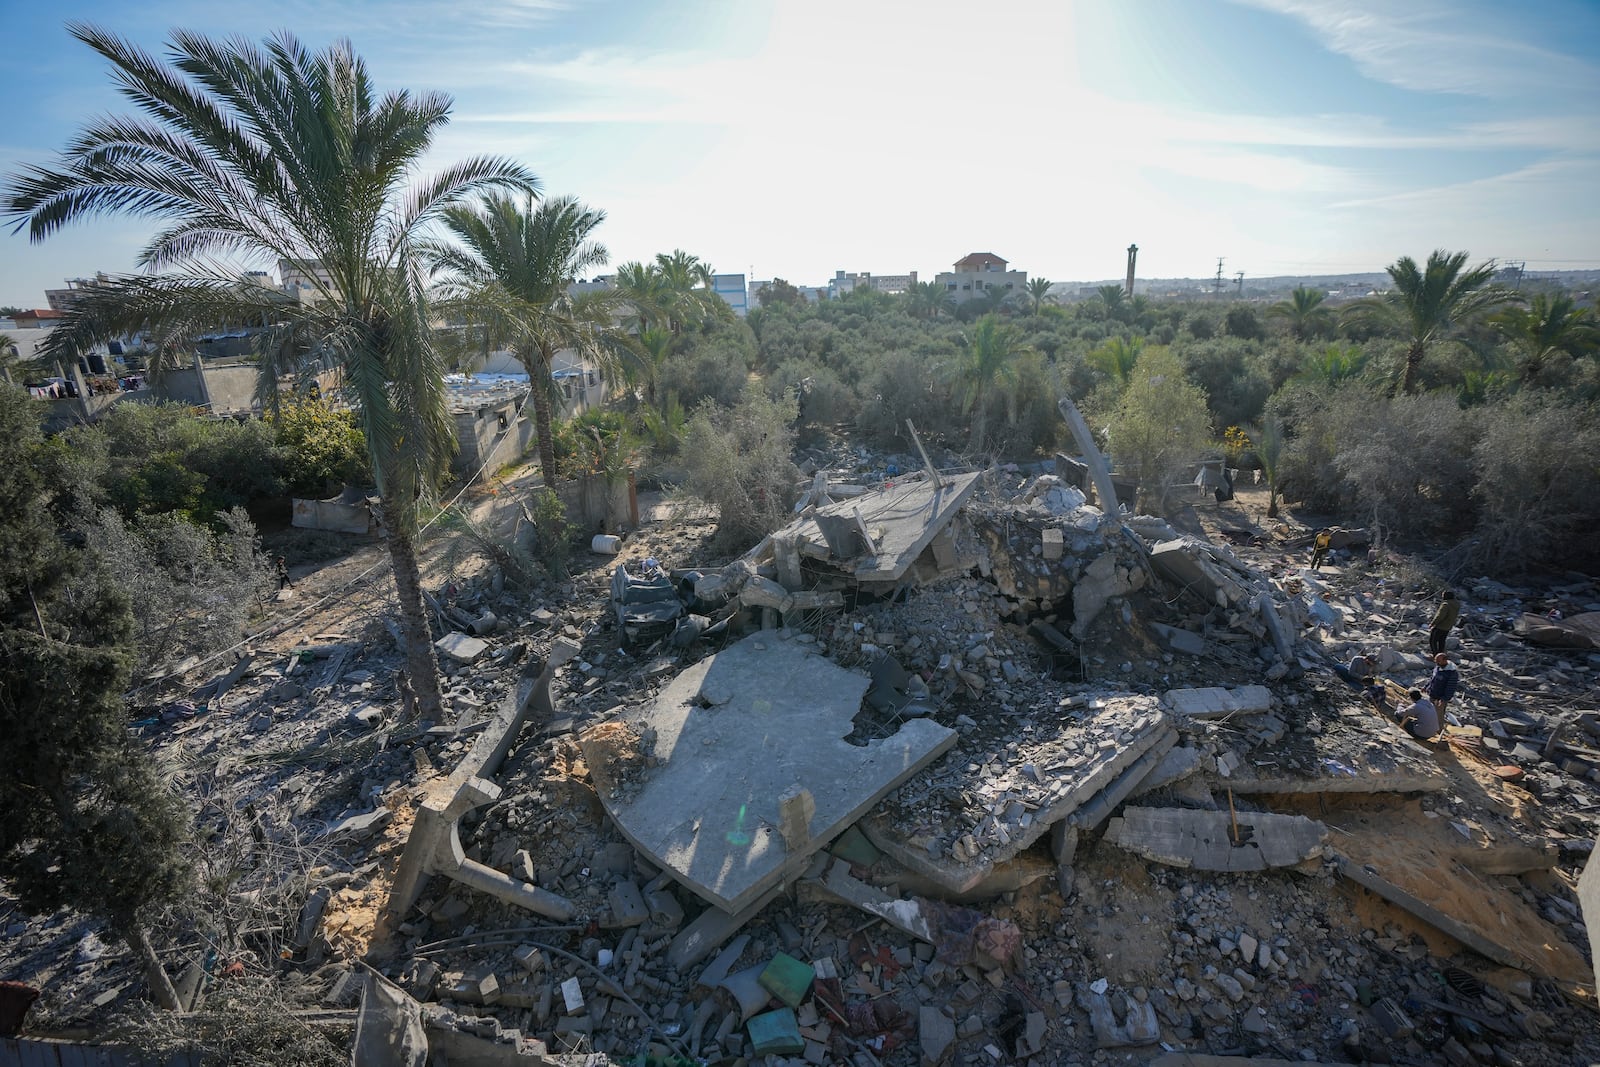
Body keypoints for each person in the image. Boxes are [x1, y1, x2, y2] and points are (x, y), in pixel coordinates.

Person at [1425, 653, 1459, 720]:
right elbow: (1433, 678)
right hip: (1432, 694)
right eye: (1436, 661)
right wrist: (1426, 686)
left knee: (1438, 716)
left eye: (1439, 661)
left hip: (1440, 699)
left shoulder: (1452, 673)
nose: (1437, 663)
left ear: (1445, 660)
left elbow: (1451, 688)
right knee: (1429, 712)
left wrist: (1444, 699)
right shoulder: (1438, 667)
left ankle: (1438, 729)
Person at [1428, 589, 1461, 655]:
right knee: (1442, 641)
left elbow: (1440, 616)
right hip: (1448, 626)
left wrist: (1433, 623)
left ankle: (1435, 656)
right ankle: (1441, 655)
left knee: (1433, 641)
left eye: (1442, 595)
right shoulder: (1456, 605)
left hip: (1441, 625)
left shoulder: (1446, 604)